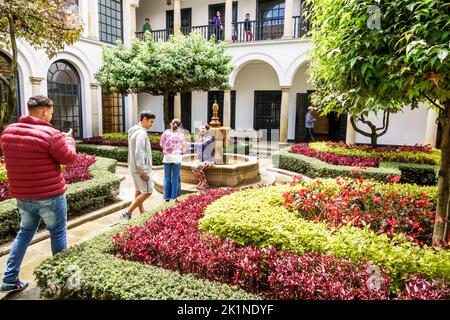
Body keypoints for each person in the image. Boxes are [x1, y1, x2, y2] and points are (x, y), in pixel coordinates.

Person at [0, 95, 77, 293]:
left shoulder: (9, 132)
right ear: (44, 111)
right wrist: (68, 140)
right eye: (51, 112)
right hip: (49, 196)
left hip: (23, 196)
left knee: (24, 233)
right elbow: (68, 159)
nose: (51, 116)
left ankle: (9, 278)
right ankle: (62, 281)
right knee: (58, 233)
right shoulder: (51, 134)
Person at [120, 111, 156, 223]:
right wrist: (143, 170)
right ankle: (127, 213)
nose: (152, 124)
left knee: (139, 190)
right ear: (144, 119)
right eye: (151, 121)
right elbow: (139, 152)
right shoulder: (141, 133)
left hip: (133, 167)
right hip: (140, 169)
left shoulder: (133, 131)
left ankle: (142, 213)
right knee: (148, 191)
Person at [160, 119, 185, 201]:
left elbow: (161, 144)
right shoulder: (181, 135)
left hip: (167, 157)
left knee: (167, 177)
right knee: (175, 177)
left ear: (171, 124)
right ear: (180, 126)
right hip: (177, 157)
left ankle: (166, 197)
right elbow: (183, 147)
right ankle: (173, 197)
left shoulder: (165, 133)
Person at [189, 124, 215, 190]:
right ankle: (202, 181)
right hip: (201, 160)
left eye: (203, 128)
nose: (201, 130)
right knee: (192, 167)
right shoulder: (199, 139)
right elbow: (195, 147)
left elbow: (202, 145)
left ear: (207, 130)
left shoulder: (209, 138)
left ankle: (205, 182)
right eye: (201, 128)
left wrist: (189, 144)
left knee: (198, 167)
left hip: (209, 161)